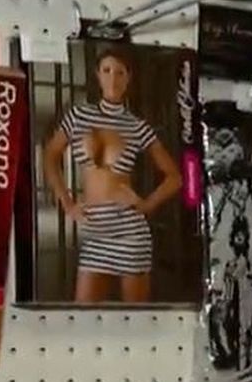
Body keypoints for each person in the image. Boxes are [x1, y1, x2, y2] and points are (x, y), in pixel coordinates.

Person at [43, 49, 183, 302]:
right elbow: (50, 156)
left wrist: (146, 205)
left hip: (130, 231)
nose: (113, 78)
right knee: (83, 315)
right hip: (95, 232)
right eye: (107, 71)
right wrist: (67, 202)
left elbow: (175, 177)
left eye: (120, 72)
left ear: (128, 78)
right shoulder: (78, 116)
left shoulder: (137, 127)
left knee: (135, 317)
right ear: (97, 75)